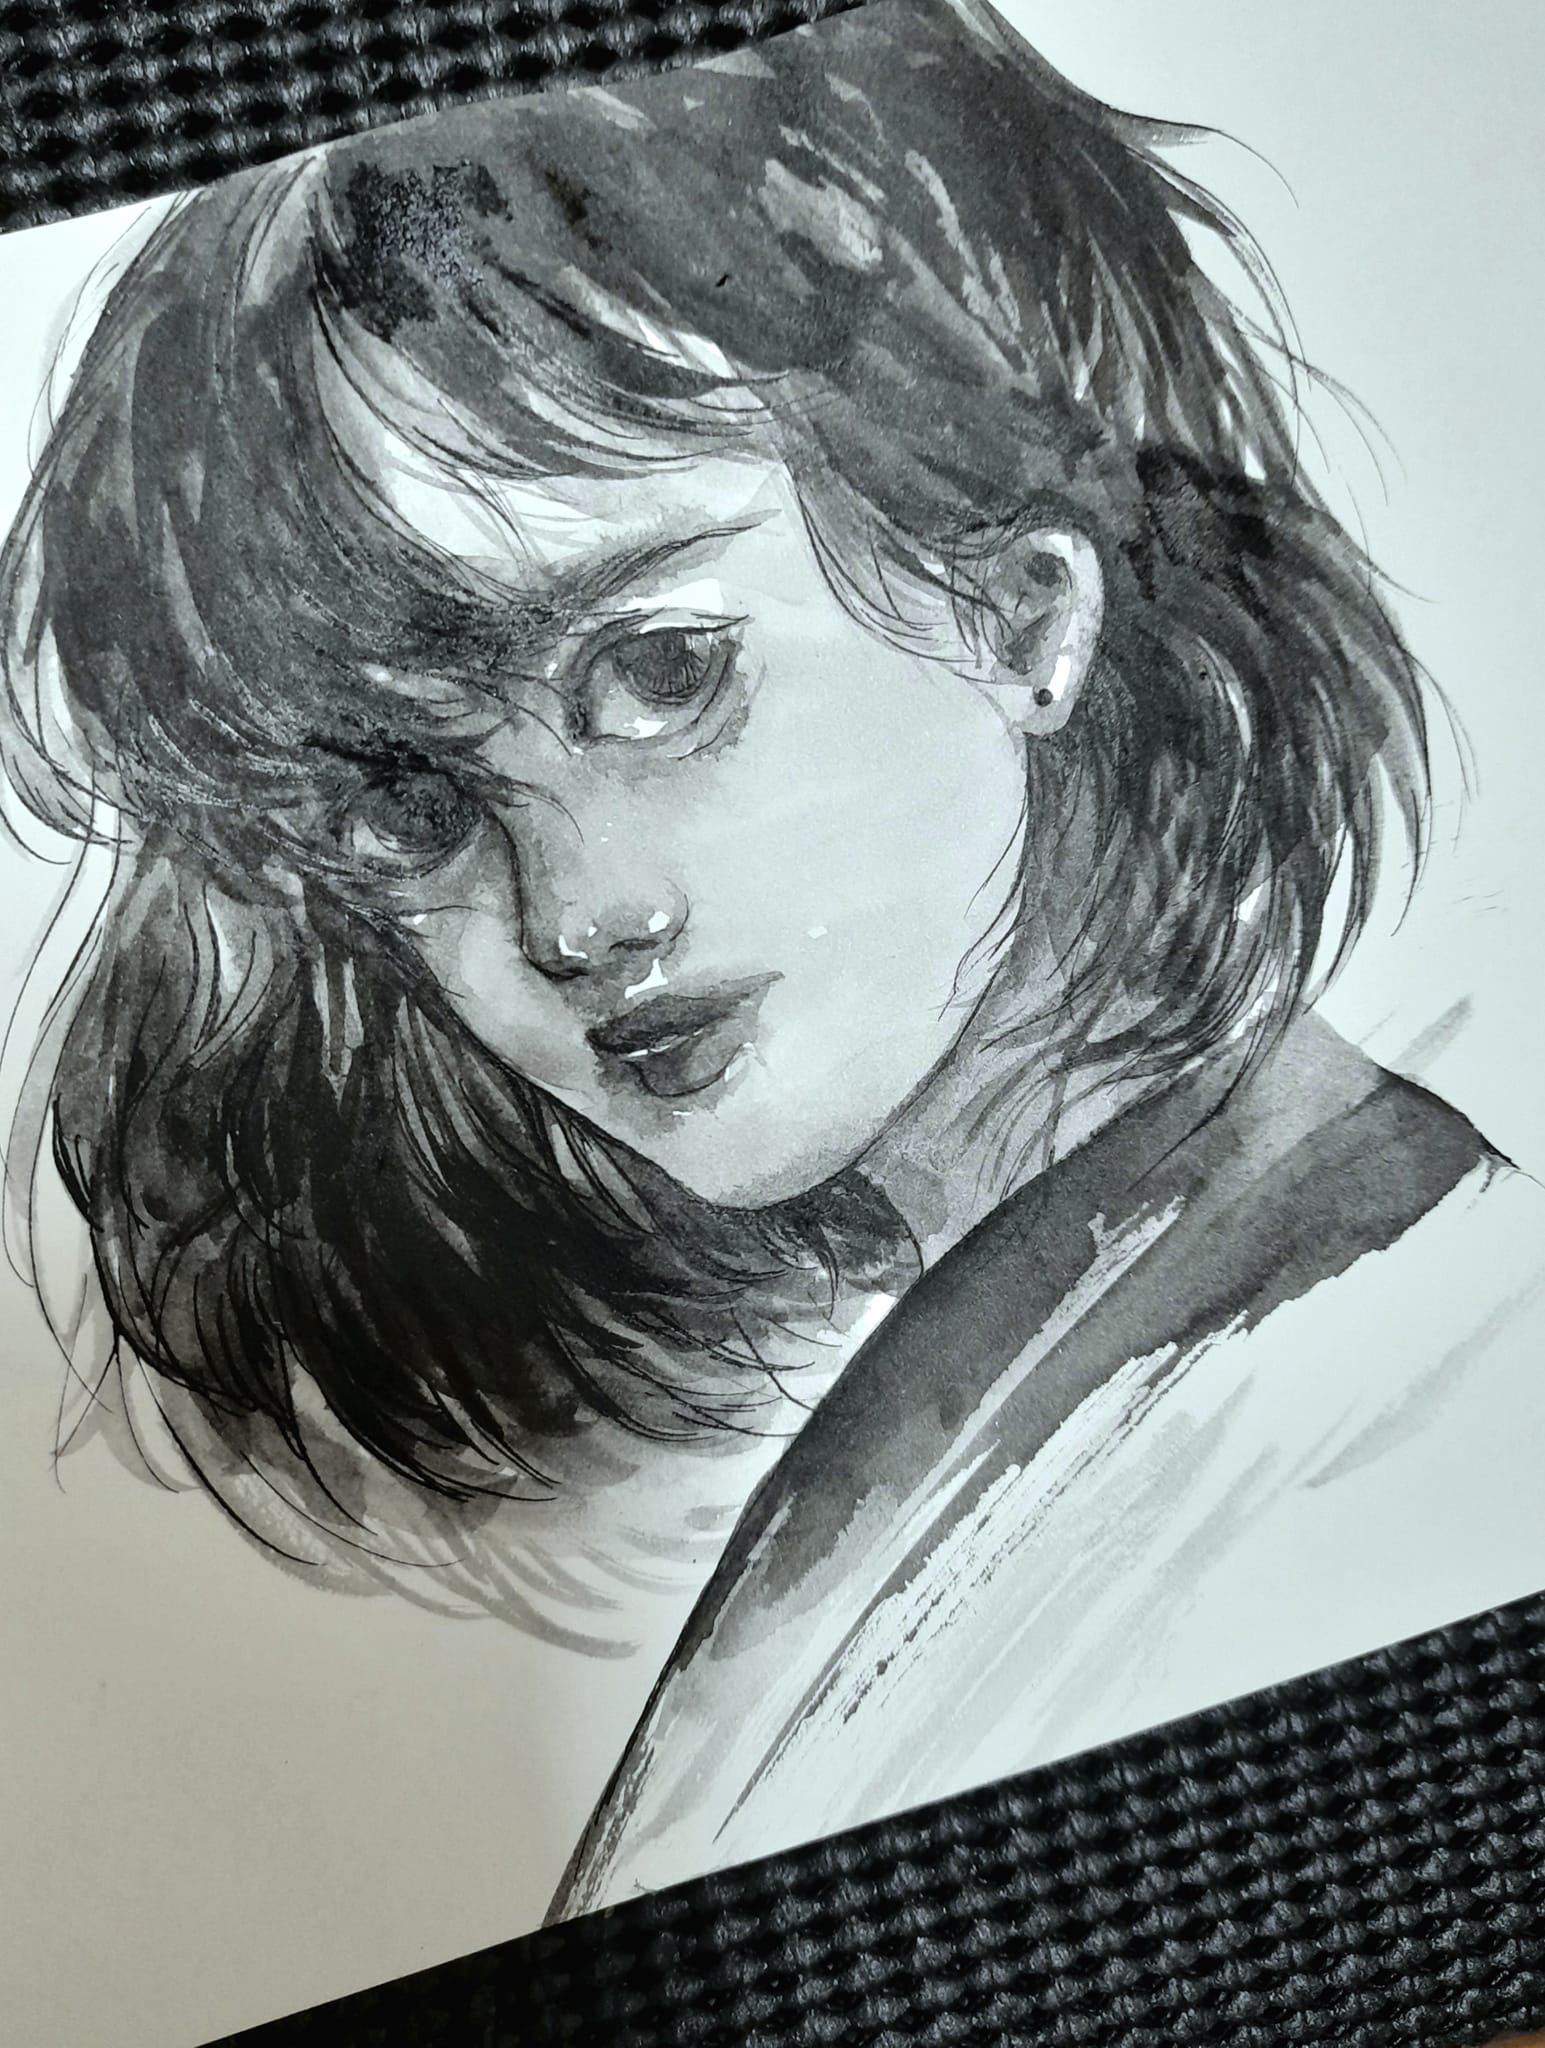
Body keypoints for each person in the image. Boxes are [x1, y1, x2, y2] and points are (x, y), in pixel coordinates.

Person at [1, 0, 1539, 1909]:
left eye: (660, 674)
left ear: (1016, 612)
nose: (571, 917)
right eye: (408, 808)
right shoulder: (1006, 1382)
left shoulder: (1374, 1375)